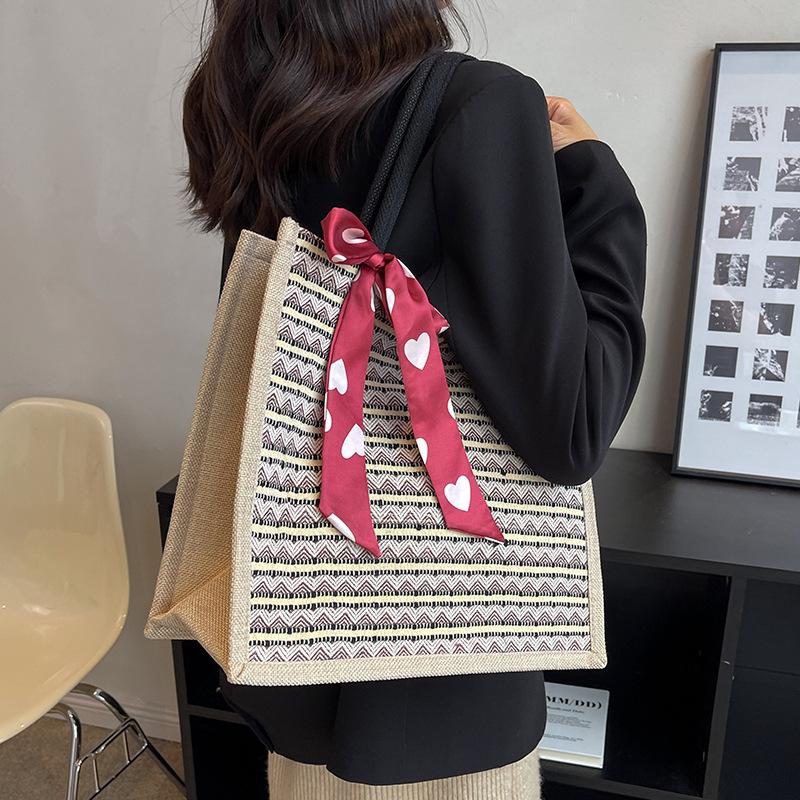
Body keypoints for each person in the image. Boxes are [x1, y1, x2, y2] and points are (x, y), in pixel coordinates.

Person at [180, 2, 647, 797]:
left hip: (294, 638)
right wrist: (596, 183)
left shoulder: (251, 109)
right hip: (445, 684)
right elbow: (573, 427)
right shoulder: (482, 106)